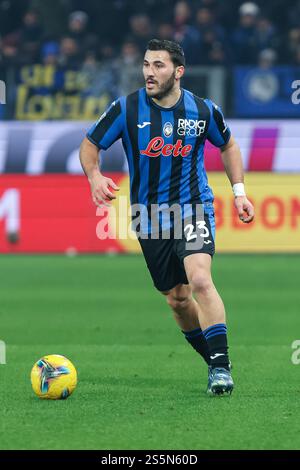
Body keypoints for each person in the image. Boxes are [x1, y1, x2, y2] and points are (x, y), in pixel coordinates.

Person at [79, 39, 254, 396]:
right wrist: (95, 176)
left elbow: (229, 145)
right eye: (146, 64)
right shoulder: (126, 108)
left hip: (193, 207)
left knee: (200, 280)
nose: (148, 72)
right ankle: (214, 361)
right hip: (148, 216)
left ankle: (221, 367)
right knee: (176, 298)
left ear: (178, 72)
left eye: (158, 65)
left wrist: (239, 193)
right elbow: (90, 144)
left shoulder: (203, 111)